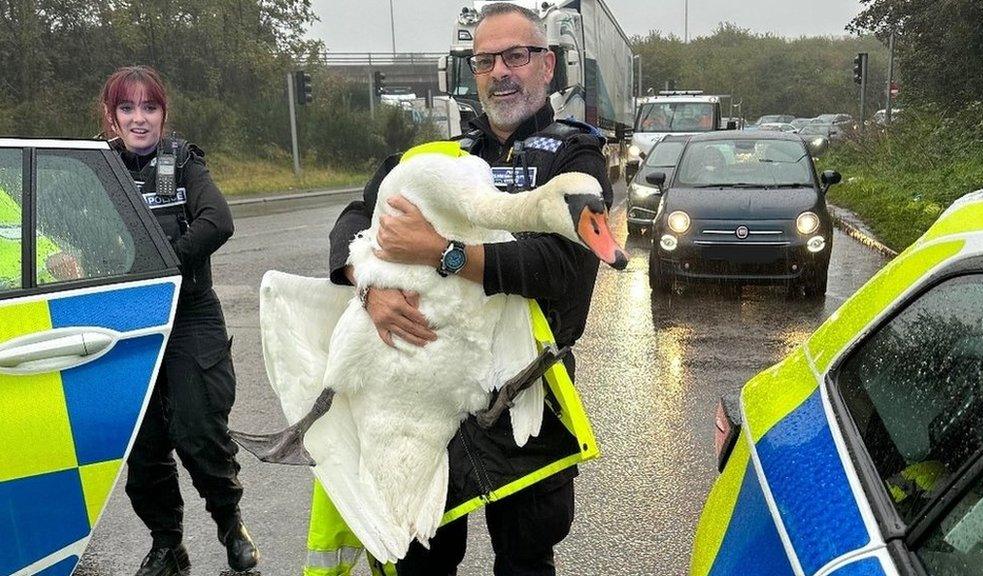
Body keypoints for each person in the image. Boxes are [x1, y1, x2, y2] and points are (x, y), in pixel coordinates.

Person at [325, 4, 613, 575]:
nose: (500, 71)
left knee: (527, 554)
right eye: (485, 60)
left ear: (547, 65)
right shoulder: (439, 158)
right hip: (431, 392)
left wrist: (443, 253)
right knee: (421, 555)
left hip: (524, 390)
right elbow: (354, 220)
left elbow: (563, 267)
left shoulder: (575, 157)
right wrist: (369, 286)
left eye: (516, 56)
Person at [98, 66, 259, 576]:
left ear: (164, 114)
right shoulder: (99, 168)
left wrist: (166, 261)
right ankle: (167, 544)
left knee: (198, 429)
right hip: (126, 318)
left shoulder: (183, 160)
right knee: (143, 450)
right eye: (127, 108)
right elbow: (68, 230)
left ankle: (231, 525)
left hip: (188, 312)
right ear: (112, 116)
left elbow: (218, 220)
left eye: (149, 108)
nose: (139, 119)